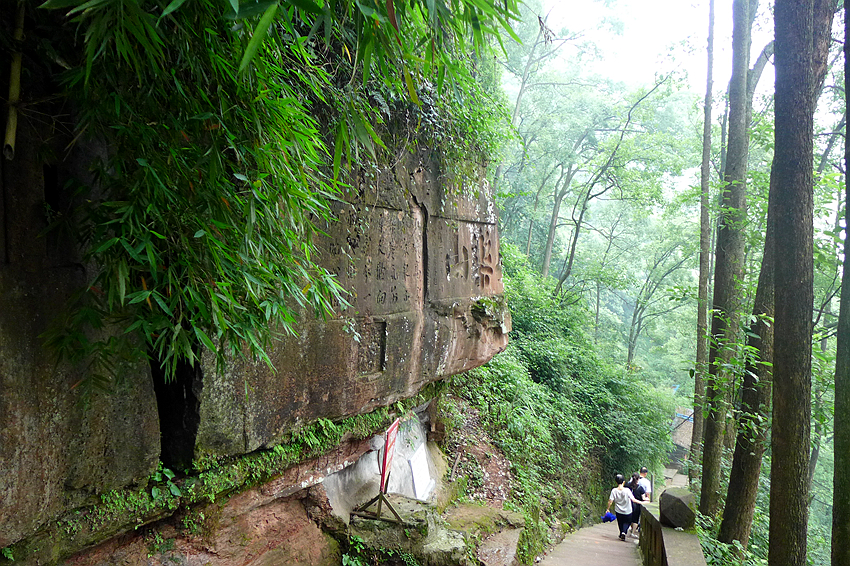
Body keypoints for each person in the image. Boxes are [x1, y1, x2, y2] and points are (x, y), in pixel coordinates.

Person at [606, 473, 647, 541]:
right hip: (628, 510)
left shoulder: (614, 490)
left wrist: (608, 509)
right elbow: (633, 500)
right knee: (627, 522)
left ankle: (622, 532)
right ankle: (624, 532)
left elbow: (610, 501)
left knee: (620, 522)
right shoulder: (627, 490)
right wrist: (642, 502)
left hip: (618, 510)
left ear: (616, 482)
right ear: (624, 482)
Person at [625, 472, 646, 537]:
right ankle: (633, 532)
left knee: (629, 517)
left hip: (628, 504)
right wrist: (646, 500)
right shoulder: (640, 488)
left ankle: (628, 528)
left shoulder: (627, 485)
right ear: (638, 479)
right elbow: (643, 498)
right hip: (637, 505)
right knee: (635, 519)